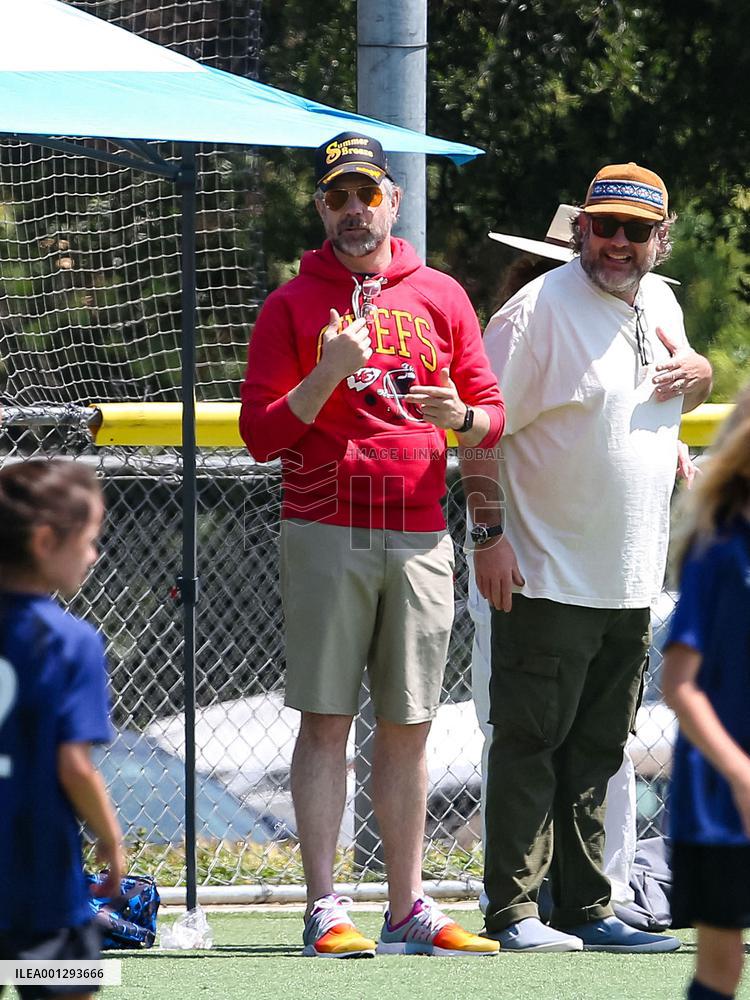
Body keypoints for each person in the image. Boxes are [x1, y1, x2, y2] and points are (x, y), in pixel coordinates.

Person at [239, 131, 504, 958]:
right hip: (326, 525)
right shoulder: (291, 305)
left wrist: (461, 417)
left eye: (367, 194)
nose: (354, 210)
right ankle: (324, 905)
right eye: (337, 197)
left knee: (410, 723)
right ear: (322, 210)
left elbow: (493, 415)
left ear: (394, 200)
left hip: (421, 531)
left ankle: (406, 906)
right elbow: (259, 437)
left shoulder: (441, 295)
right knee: (326, 719)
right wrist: (327, 371)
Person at [462, 161, 712, 952]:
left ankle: (586, 908)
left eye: (635, 230)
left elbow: (667, 399)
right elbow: (478, 431)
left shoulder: (663, 302)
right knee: (529, 745)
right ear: (581, 229)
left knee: (599, 753)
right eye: (604, 227)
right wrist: (489, 536)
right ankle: (514, 912)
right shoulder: (534, 313)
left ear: (662, 238)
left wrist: (703, 377)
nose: (617, 243)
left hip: (630, 583)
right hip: (542, 573)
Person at [0, 459, 124, 1000]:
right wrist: (111, 839)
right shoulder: (71, 641)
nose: (94, 555)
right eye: (89, 540)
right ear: (46, 541)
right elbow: (73, 766)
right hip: (40, 880)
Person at [662, 389, 750, 1000]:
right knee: (722, 967)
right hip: (720, 801)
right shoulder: (718, 550)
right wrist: (740, 774)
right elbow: (680, 684)